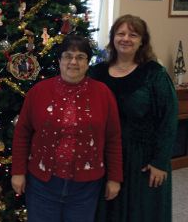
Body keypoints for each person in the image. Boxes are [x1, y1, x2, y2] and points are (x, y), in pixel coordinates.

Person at [11, 35, 123, 222]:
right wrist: (18, 172)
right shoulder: (39, 91)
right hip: (42, 184)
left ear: (88, 62)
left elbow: (113, 138)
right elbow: (22, 134)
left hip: (86, 186)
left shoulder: (103, 93)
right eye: (67, 56)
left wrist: (115, 178)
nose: (73, 62)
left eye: (80, 57)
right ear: (59, 60)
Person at [89, 14, 178, 222]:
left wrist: (160, 161)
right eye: (120, 33)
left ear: (142, 41)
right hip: (106, 156)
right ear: (112, 38)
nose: (125, 38)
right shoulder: (97, 73)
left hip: (144, 161)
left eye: (133, 34)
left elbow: (169, 120)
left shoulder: (154, 74)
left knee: (142, 213)